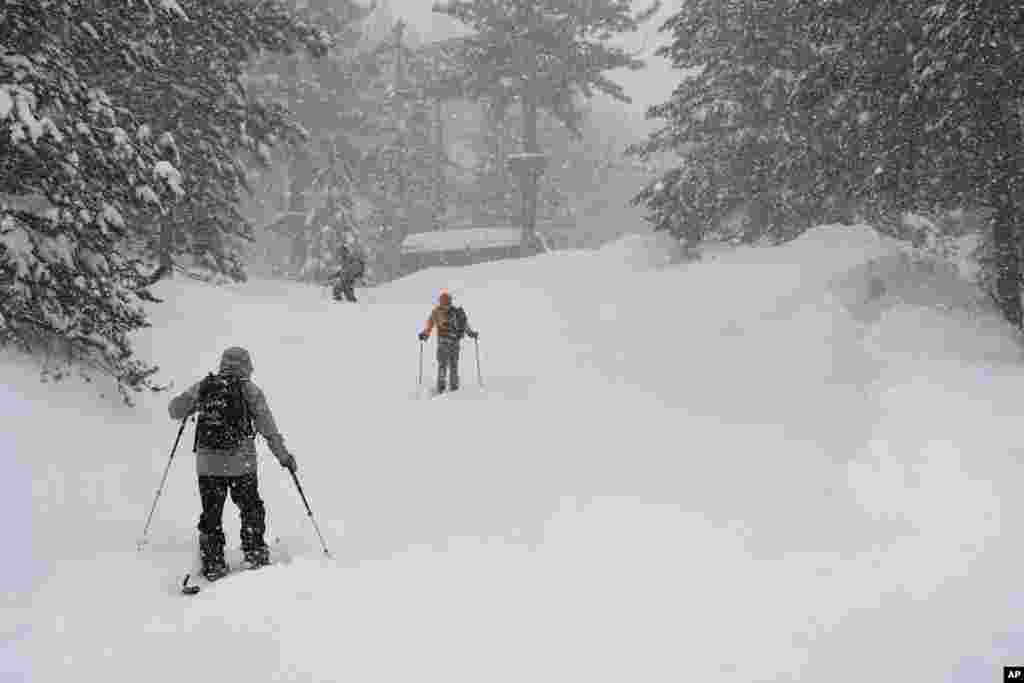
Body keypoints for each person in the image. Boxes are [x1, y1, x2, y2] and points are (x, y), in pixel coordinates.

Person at [168, 347, 298, 580]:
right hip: (242, 465)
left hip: (208, 465)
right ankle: (254, 552)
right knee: (250, 508)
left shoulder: (205, 386)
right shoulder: (250, 391)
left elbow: (175, 410)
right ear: (247, 365)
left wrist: (194, 402)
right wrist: (284, 457)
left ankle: (213, 562)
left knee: (211, 513)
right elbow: (268, 429)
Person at [418, 290, 479, 394]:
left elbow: (429, 325)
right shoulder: (456, 312)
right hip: (455, 343)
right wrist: (471, 333)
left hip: (443, 343)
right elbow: (465, 325)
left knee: (442, 365)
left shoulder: (436, 312)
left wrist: (425, 334)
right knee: (454, 366)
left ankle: (441, 388)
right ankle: (454, 388)